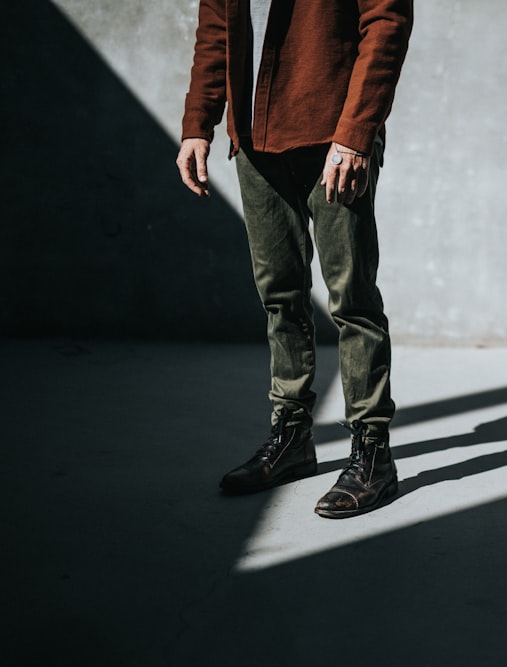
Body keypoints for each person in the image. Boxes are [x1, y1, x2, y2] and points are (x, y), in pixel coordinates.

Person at [176, 0, 413, 518]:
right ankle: (292, 438)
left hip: (333, 132)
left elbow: (386, 22)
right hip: (255, 137)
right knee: (279, 293)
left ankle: (373, 452)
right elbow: (216, 28)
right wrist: (199, 120)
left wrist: (355, 134)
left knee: (351, 297)